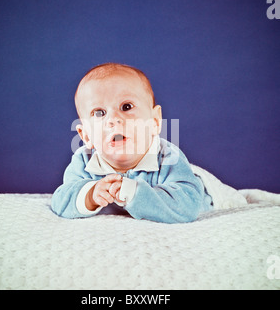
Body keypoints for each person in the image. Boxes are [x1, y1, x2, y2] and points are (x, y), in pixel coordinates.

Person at [51, 63, 213, 223]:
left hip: (204, 191)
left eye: (126, 107)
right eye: (99, 112)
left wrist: (134, 192)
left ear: (155, 121)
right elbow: (61, 201)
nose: (113, 119)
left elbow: (189, 205)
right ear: (86, 136)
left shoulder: (168, 157)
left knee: (203, 185)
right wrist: (90, 195)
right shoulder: (84, 161)